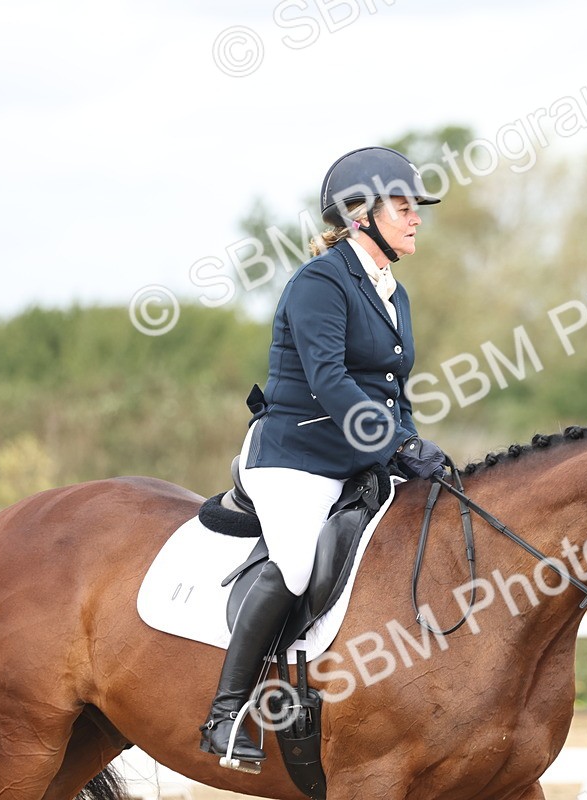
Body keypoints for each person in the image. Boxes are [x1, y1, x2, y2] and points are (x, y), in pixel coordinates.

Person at [199, 146, 449, 765]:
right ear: (360, 215)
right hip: (294, 457)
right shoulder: (319, 283)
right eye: (403, 206)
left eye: (416, 206)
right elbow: (331, 380)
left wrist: (412, 446)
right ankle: (227, 713)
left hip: (357, 457)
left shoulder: (394, 292)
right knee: (293, 564)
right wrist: (395, 442)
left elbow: (393, 387)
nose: (415, 217)